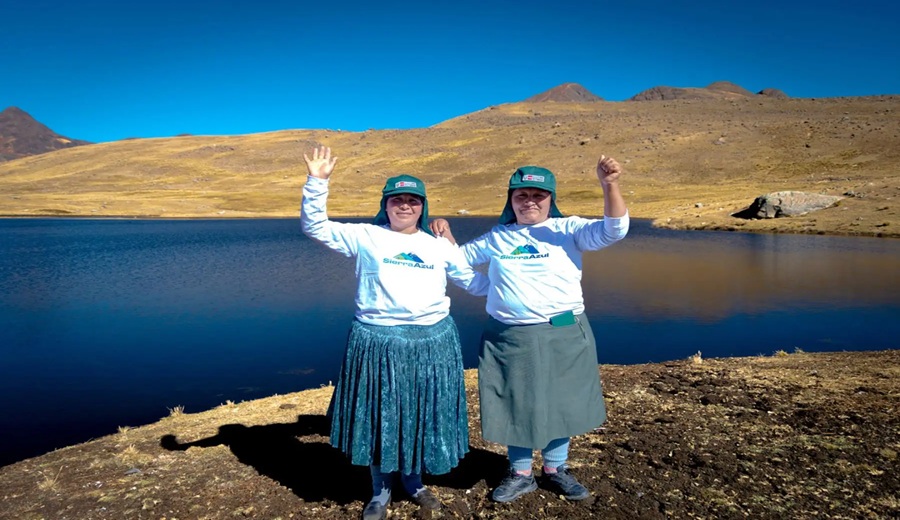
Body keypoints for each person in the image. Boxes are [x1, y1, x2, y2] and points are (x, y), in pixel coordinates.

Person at [430, 154, 629, 503]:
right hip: (510, 335)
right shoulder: (498, 237)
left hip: (564, 331)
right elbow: (456, 261)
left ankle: (556, 469)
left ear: (551, 199)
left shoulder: (569, 230)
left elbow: (614, 230)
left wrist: (609, 184)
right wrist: (444, 235)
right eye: (521, 195)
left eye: (538, 194)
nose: (530, 201)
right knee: (515, 403)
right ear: (511, 200)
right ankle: (521, 473)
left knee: (562, 401)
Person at [300, 146, 485, 520]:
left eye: (413, 200)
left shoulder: (437, 246)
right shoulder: (366, 236)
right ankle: (380, 490)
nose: (405, 206)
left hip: (433, 341)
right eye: (397, 199)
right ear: (385, 204)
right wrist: (317, 181)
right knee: (380, 415)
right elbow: (315, 227)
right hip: (378, 341)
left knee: (419, 413)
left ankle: (414, 482)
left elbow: (476, 283)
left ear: (423, 206)